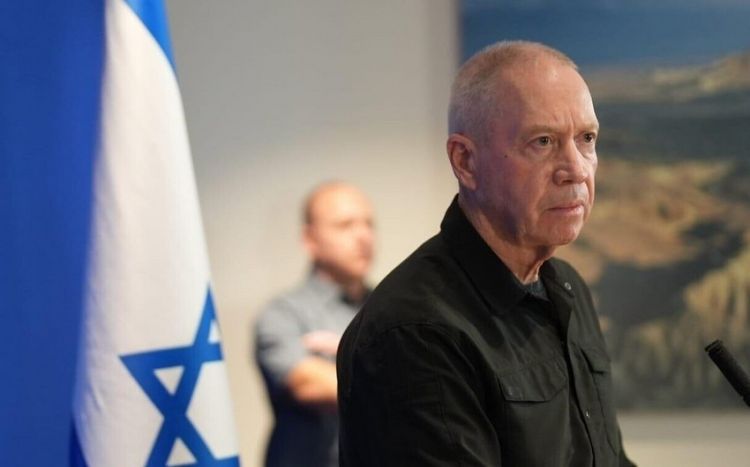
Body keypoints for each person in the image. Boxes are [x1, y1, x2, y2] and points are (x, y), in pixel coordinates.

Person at [337, 41, 636, 466]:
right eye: (543, 141)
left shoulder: (567, 288)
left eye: (586, 139)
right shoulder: (415, 332)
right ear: (465, 161)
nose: (576, 169)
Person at [255, 181, 374, 467]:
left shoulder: (390, 307)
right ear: (310, 239)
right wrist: (392, 368)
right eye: (345, 225)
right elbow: (308, 384)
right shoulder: (283, 314)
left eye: (369, 224)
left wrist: (345, 353)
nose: (363, 236)